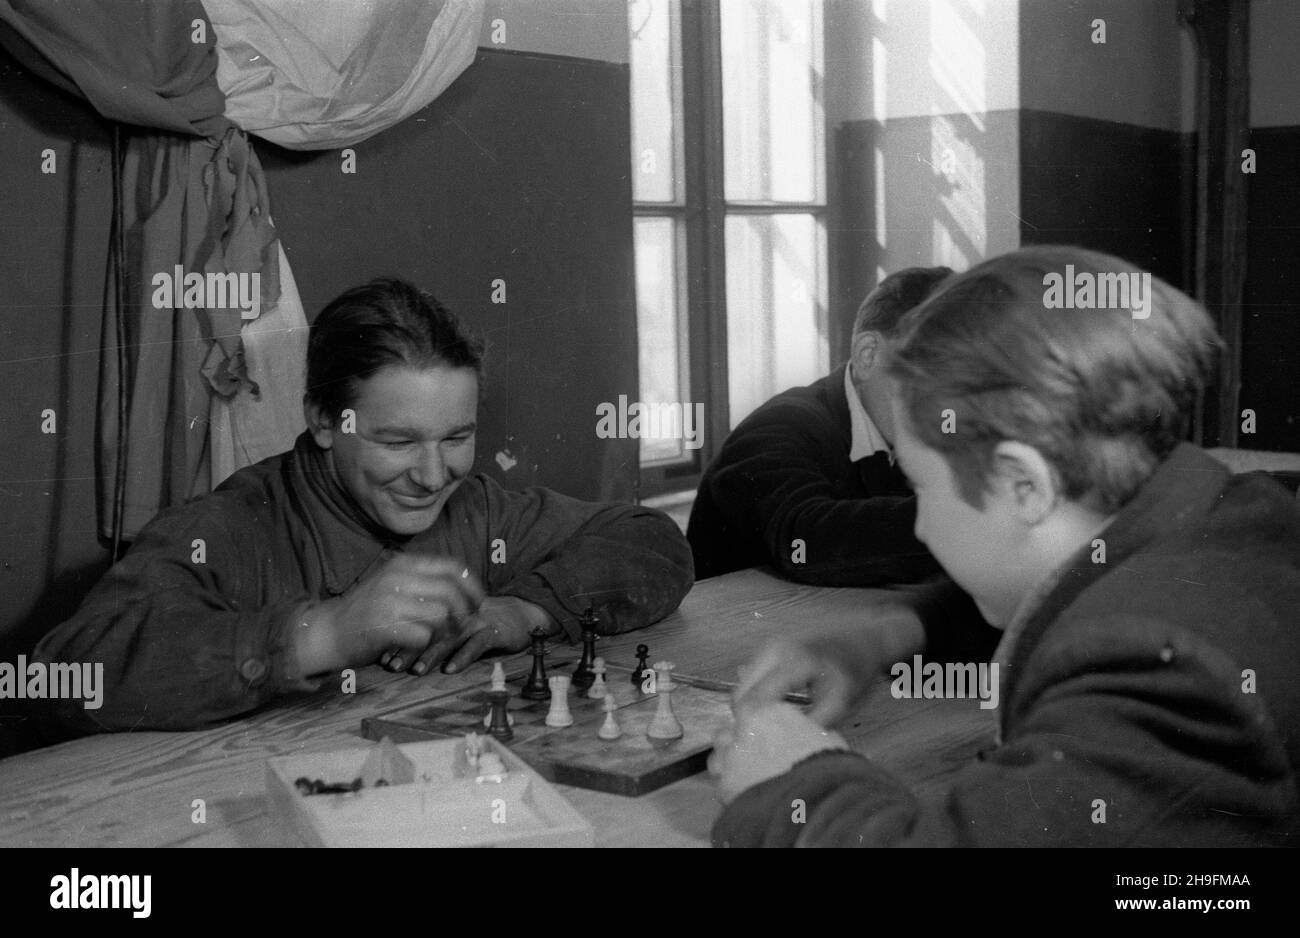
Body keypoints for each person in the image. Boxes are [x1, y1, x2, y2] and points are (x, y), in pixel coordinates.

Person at [709, 245, 1300, 847]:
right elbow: (1054, 584)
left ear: (1025, 485)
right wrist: (880, 637)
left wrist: (796, 790)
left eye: (919, 484)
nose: (918, 527)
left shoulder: (1155, 671)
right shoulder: (1233, 519)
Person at [32, 278, 694, 737]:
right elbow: (64, 673)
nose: (434, 476)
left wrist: (526, 610)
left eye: (458, 437)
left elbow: (651, 541)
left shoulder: (478, 509)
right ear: (324, 420)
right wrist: (320, 634)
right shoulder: (231, 527)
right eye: (398, 441)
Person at [687, 266, 951, 586]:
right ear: (869, 355)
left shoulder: (916, 426)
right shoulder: (777, 429)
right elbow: (803, 543)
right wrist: (966, 518)